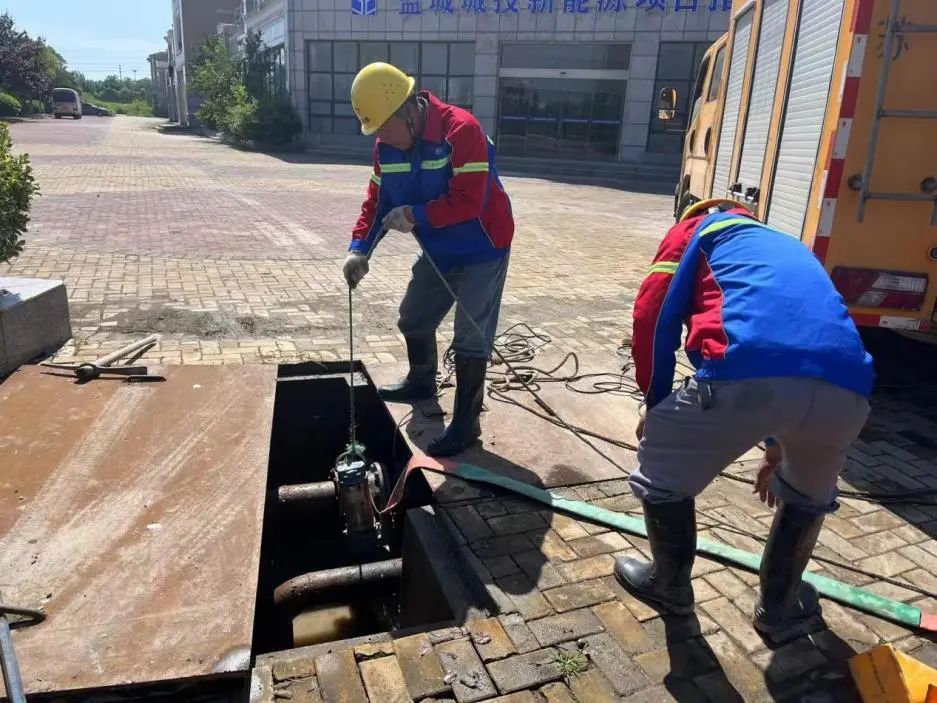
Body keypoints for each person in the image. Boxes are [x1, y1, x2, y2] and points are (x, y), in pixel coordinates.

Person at [615, 198, 874, 641]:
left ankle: (669, 586)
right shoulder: (791, 245)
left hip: (742, 373)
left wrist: (656, 404)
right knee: (808, 496)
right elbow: (795, 343)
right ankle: (779, 607)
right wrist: (777, 449)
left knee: (661, 476)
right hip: (848, 390)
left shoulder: (697, 231)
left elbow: (651, 316)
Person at [341, 62, 514, 457]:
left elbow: (470, 201)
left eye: (385, 127)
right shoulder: (387, 147)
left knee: (470, 337)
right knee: (413, 316)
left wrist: (415, 214)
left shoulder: (461, 131)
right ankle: (421, 382)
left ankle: (466, 423)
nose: (381, 137)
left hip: (483, 247)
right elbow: (377, 202)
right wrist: (359, 249)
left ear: (408, 110)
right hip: (439, 249)